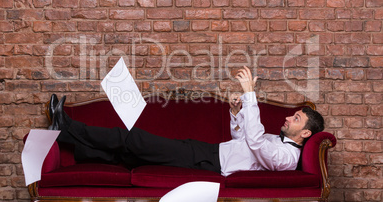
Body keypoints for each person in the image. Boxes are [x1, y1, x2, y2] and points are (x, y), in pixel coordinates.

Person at [49, 67, 324, 177]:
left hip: (208, 162)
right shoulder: (277, 142)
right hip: (206, 152)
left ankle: (67, 126)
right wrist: (235, 114)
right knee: (130, 156)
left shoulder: (287, 157)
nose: (288, 117)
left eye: (296, 118)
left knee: (134, 139)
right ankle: (62, 138)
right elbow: (245, 141)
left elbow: (254, 141)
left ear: (306, 132)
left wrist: (251, 95)